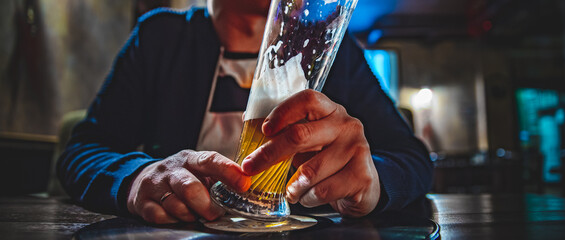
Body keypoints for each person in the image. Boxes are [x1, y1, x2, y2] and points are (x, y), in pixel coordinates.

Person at [58, 0, 433, 224]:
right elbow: (82, 151)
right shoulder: (160, 37)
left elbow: (411, 156)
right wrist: (137, 177)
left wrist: (370, 180)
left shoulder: (335, 52)